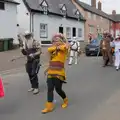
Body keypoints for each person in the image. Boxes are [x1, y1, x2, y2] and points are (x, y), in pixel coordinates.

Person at [41, 33, 69, 114]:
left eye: (57, 40)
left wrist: (63, 38)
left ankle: (65, 100)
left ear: (61, 40)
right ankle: (49, 107)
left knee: (58, 89)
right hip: (51, 72)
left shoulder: (64, 49)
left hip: (59, 73)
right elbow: (50, 52)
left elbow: (66, 45)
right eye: (54, 40)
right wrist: (47, 69)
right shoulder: (52, 49)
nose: (55, 41)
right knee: (50, 89)